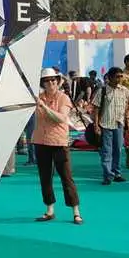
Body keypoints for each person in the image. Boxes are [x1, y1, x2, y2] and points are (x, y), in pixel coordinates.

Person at [32, 69, 82, 224]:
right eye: (47, 80)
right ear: (42, 83)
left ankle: (76, 211)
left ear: (58, 81)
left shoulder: (63, 98)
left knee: (66, 177)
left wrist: (44, 107)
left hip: (59, 142)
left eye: (53, 80)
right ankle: (50, 210)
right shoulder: (37, 98)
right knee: (45, 177)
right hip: (41, 141)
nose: (51, 83)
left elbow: (61, 118)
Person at [91, 67, 129, 185]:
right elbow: (96, 108)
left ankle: (117, 173)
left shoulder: (124, 90)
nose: (119, 79)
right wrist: (96, 125)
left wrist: (128, 114)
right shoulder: (102, 90)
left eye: (121, 76)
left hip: (119, 124)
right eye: (117, 76)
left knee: (118, 150)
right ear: (110, 77)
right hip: (106, 124)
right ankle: (107, 174)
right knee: (107, 151)